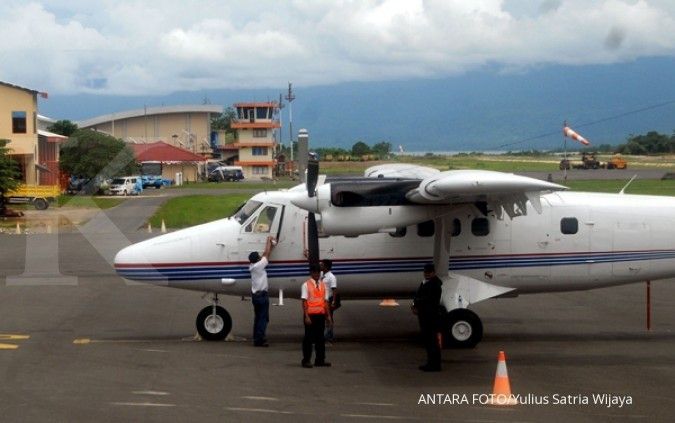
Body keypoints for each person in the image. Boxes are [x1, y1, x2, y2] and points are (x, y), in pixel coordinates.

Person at [411, 263, 443, 372]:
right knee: (429, 341)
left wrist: (417, 304)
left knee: (432, 342)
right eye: (425, 272)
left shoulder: (434, 285)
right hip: (425, 316)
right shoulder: (426, 283)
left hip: (430, 317)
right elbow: (418, 296)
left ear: (433, 273)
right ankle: (431, 363)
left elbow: (427, 299)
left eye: (429, 272)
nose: (427, 274)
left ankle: (435, 365)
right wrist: (415, 305)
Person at [301, 265, 332, 368]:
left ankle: (320, 360)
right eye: (315, 273)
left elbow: (325, 302)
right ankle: (306, 360)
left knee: (320, 339)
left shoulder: (323, 286)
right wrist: (306, 316)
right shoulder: (306, 285)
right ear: (311, 273)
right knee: (308, 338)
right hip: (310, 315)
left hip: (320, 315)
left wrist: (328, 316)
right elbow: (304, 301)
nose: (317, 275)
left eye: (318, 273)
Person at [248, 236, 276, 347]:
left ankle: (256, 338)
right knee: (263, 319)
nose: (261, 257)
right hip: (262, 296)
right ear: (257, 259)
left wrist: (269, 244)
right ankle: (260, 339)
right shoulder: (259, 266)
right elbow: (267, 254)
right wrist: (268, 240)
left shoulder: (252, 266)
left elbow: (265, 254)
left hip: (256, 296)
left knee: (258, 318)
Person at [321, 259, 339, 342]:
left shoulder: (332, 277)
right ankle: (326, 335)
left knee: (329, 318)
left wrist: (333, 302)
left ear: (326, 267)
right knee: (324, 318)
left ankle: (329, 337)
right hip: (322, 299)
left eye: (322, 265)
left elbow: (334, 290)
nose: (320, 266)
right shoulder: (322, 274)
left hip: (329, 299)